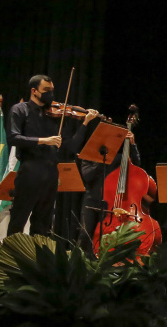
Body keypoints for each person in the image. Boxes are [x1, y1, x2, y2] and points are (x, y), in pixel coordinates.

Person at [6, 75, 98, 236]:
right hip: (30, 170)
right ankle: (11, 257)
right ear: (34, 91)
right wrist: (44, 140)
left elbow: (71, 146)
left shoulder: (57, 116)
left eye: (52, 90)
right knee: (18, 220)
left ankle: (39, 259)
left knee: (43, 224)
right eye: (46, 90)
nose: (51, 94)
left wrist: (85, 123)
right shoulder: (20, 109)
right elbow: (13, 137)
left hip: (51, 173)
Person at [79, 130, 141, 254]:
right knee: (85, 235)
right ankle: (82, 264)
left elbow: (136, 166)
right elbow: (87, 176)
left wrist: (133, 146)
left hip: (112, 203)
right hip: (91, 201)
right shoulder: (88, 156)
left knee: (108, 237)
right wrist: (102, 161)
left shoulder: (118, 158)